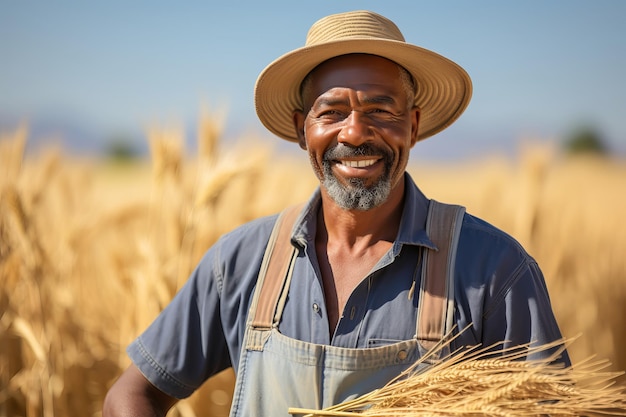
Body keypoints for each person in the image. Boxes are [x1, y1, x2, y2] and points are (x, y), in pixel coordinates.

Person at [103, 10, 569, 417]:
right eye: (332, 111)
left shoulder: (493, 271)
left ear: (413, 125)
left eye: (380, 110)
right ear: (301, 130)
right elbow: (130, 396)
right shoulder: (241, 263)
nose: (356, 132)